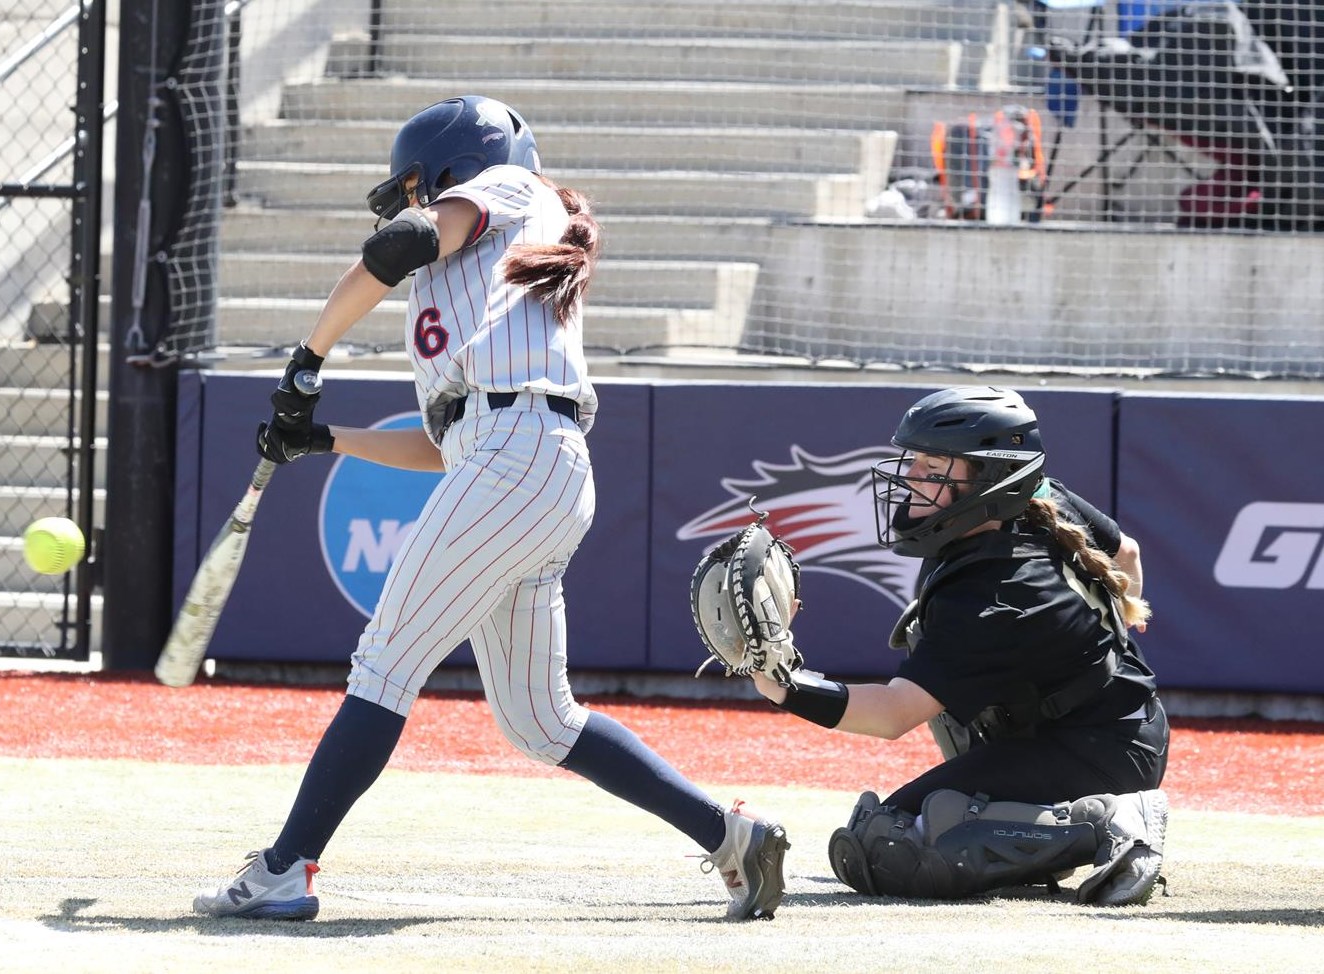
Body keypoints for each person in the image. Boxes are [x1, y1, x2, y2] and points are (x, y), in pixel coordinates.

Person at [190, 95, 789, 922]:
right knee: (541, 720)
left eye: (418, 184)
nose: (411, 202)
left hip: (523, 456)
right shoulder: (460, 282)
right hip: (519, 463)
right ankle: (730, 836)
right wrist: (325, 439)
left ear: (451, 164)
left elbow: (395, 245)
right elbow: (446, 444)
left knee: (386, 662)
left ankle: (286, 866)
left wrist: (308, 356)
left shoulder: (511, 186)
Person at [739, 386, 1169, 905]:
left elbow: (894, 714)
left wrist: (783, 685)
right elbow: (1127, 552)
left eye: (934, 466)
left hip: (1101, 751)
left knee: (884, 850)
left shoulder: (1001, 592)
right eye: (915, 460)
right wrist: (1112, 631)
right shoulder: (1038, 498)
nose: (912, 477)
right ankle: (1026, 825)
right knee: (891, 830)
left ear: (988, 479)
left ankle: (1111, 824)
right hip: (1098, 724)